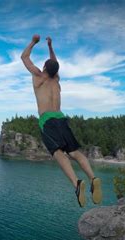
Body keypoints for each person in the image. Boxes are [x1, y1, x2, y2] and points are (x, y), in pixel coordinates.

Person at [21, 34, 102, 207]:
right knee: (74, 152)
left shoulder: (38, 76)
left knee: (58, 153)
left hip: (47, 120)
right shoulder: (56, 79)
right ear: (55, 71)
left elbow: (24, 57)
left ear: (43, 67)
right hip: (61, 117)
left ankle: (77, 184)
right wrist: (50, 46)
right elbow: (54, 63)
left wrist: (34, 42)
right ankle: (93, 177)